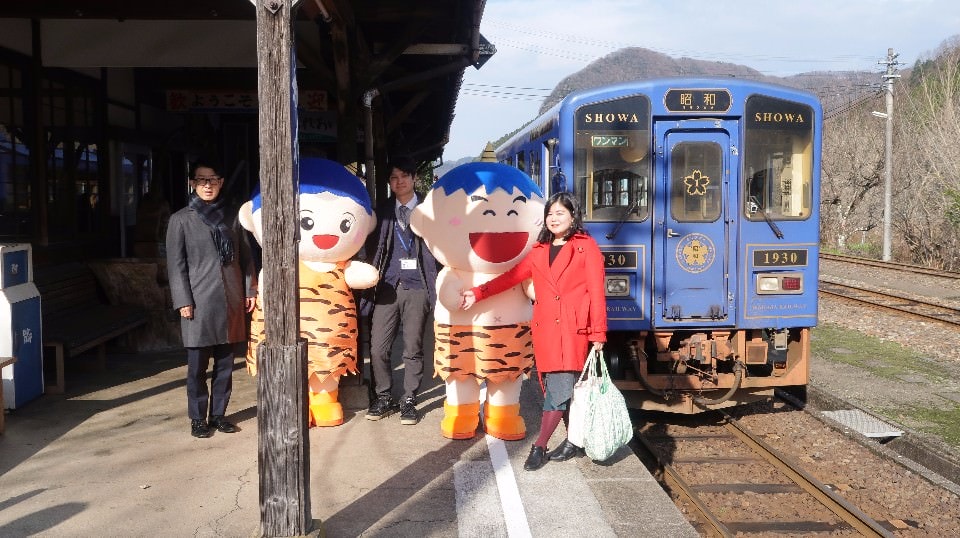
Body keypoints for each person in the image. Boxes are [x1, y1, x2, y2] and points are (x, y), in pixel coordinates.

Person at [460, 191, 607, 471]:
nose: (554, 219)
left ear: (573, 216)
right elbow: (510, 278)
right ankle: (574, 442)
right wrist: (477, 293)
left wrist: (598, 333)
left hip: (572, 329)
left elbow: (597, 293)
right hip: (544, 329)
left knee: (560, 389)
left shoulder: (586, 247)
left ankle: (539, 446)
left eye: (560, 213)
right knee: (555, 386)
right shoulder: (539, 251)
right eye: (550, 214)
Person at [166, 160, 258, 439]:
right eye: (202, 180)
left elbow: (246, 257)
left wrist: (249, 290)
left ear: (221, 182)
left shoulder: (232, 216)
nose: (208, 185)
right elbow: (175, 264)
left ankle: (218, 415)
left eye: (213, 179)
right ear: (193, 183)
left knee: (226, 364)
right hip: (197, 302)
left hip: (230, 298)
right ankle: (197, 419)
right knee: (197, 367)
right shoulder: (181, 219)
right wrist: (183, 299)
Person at [359, 156, 440, 425]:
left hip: (417, 287)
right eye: (394, 178)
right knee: (379, 348)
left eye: (404, 176)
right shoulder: (382, 212)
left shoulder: (430, 211)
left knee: (412, 347)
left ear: (415, 178)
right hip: (387, 287)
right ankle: (384, 396)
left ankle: (408, 398)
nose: (400, 181)